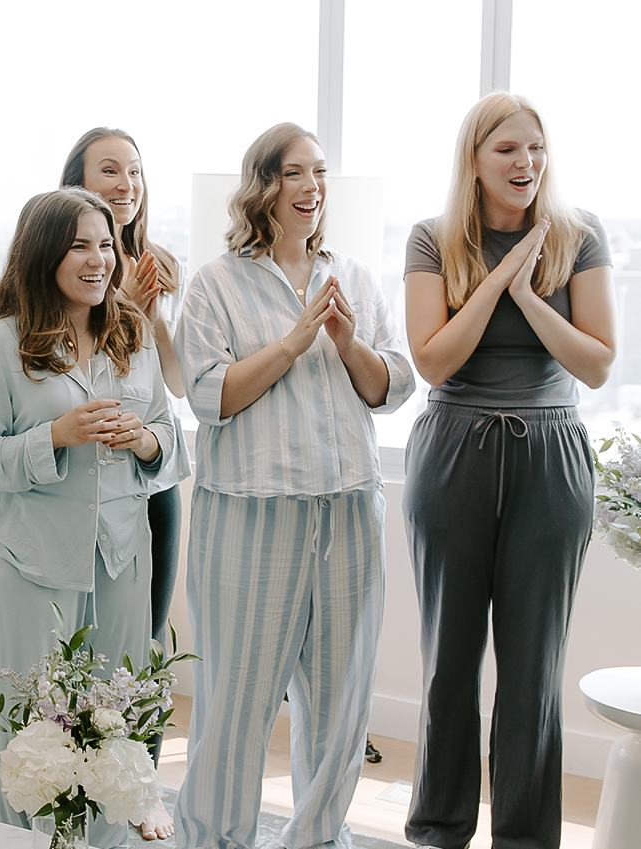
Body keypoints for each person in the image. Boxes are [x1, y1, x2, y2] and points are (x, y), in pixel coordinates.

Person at [171, 123, 413, 849]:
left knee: (341, 704)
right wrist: (293, 340)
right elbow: (208, 397)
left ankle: (315, 837)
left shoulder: (356, 279)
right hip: (253, 515)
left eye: (321, 172)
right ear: (264, 186)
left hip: (346, 509)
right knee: (237, 699)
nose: (313, 186)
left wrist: (344, 341)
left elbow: (391, 386)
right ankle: (214, 838)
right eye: (296, 172)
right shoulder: (216, 283)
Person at [400, 93, 614, 849]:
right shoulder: (433, 240)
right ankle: (437, 829)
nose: (526, 163)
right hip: (455, 450)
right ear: (474, 160)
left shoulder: (580, 237)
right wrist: (495, 282)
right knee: (448, 663)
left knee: (532, 671)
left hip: (551, 455)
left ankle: (525, 839)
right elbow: (431, 358)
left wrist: (529, 290)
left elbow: (596, 362)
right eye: (507, 150)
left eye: (536, 148)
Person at [0, 187, 176, 849]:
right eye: (80, 244)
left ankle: (104, 840)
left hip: (120, 552)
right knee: (36, 728)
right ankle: (33, 841)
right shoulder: (2, 343)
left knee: (115, 717)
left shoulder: (130, 333)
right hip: (32, 559)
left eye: (106, 243)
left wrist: (143, 439)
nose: (98, 258)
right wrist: (53, 434)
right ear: (43, 252)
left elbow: (170, 437)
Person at [60, 127, 191, 842]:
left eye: (135, 170)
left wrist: (152, 313)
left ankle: (137, 783)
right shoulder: (69, 263)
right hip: (80, 482)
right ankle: (71, 770)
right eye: (109, 169)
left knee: (141, 640)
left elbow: (174, 382)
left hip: (150, 474)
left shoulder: (157, 263)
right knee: (77, 642)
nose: (125, 183)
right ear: (77, 179)